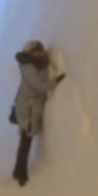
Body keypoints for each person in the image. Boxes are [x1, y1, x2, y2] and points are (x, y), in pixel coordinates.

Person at [11, 40, 65, 186]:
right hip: (28, 109)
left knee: (24, 140)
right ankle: (21, 175)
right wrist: (56, 81)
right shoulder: (29, 67)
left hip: (29, 107)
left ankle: (17, 172)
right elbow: (39, 86)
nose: (41, 54)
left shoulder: (34, 63)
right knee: (25, 141)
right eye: (38, 52)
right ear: (31, 53)